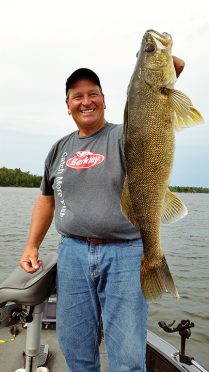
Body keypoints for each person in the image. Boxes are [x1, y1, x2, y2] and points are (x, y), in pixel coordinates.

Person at [20, 57, 184, 372]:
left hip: (126, 253)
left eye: (92, 93)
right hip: (72, 254)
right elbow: (46, 199)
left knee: (126, 353)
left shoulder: (126, 136)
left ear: (104, 100)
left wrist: (163, 68)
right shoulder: (59, 149)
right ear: (67, 105)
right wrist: (31, 246)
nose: (86, 101)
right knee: (77, 346)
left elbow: (153, 106)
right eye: (77, 96)